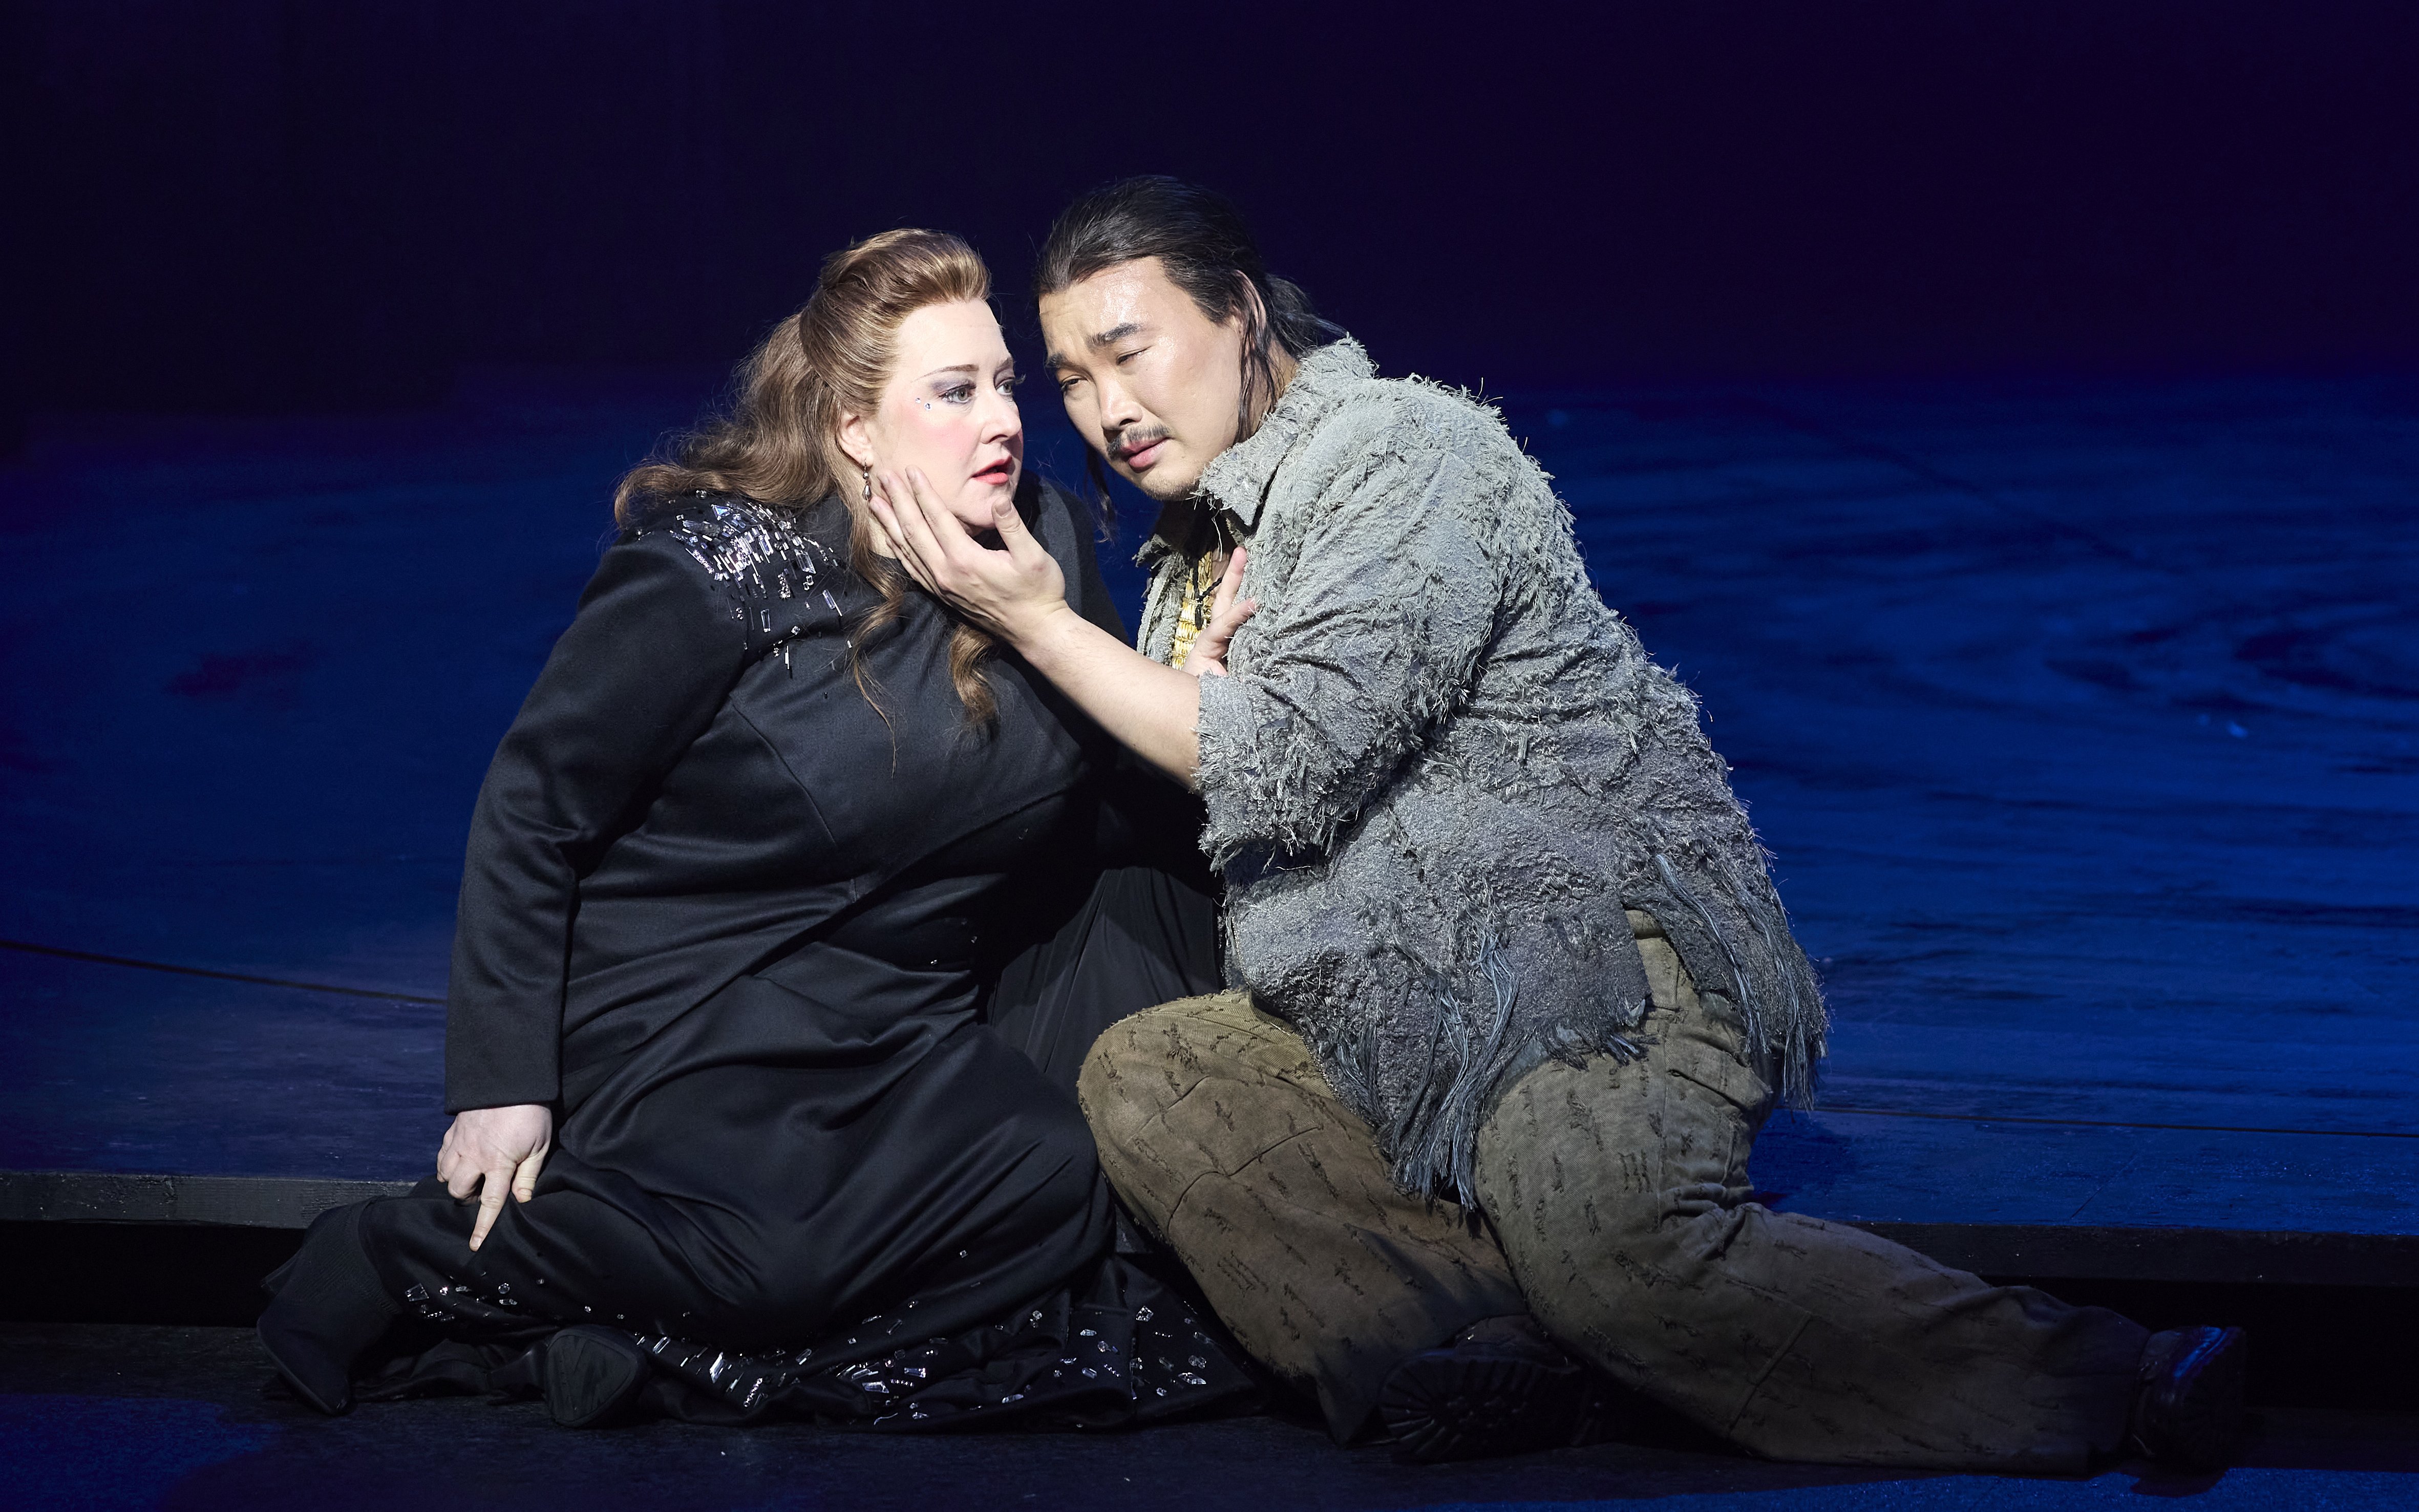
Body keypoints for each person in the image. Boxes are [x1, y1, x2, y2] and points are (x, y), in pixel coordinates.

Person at [868, 178, 2249, 1472]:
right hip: (1394, 1005)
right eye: (1073, 378)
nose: (1107, 405)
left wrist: (1036, 621)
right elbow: (1228, 782)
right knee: (1154, 1081)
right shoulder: (1198, 546)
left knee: (1604, 1233)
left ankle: (2103, 1379)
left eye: (1133, 349)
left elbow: (1278, 764)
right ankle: (1502, 1350)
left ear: (1237, 313)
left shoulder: (1399, 452)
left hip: (1586, 963)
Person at [253, 228, 1249, 1430]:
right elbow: (534, 805)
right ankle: (391, 1256)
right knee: (777, 1264)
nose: (1003, 421)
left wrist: (1175, 692)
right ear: (853, 429)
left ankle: (666, 1356)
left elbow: (1075, 803)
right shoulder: (716, 571)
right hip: (697, 1013)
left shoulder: (1040, 543)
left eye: (1003, 384)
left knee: (1057, 1177)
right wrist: (502, 1080)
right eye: (952, 392)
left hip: (894, 1025)